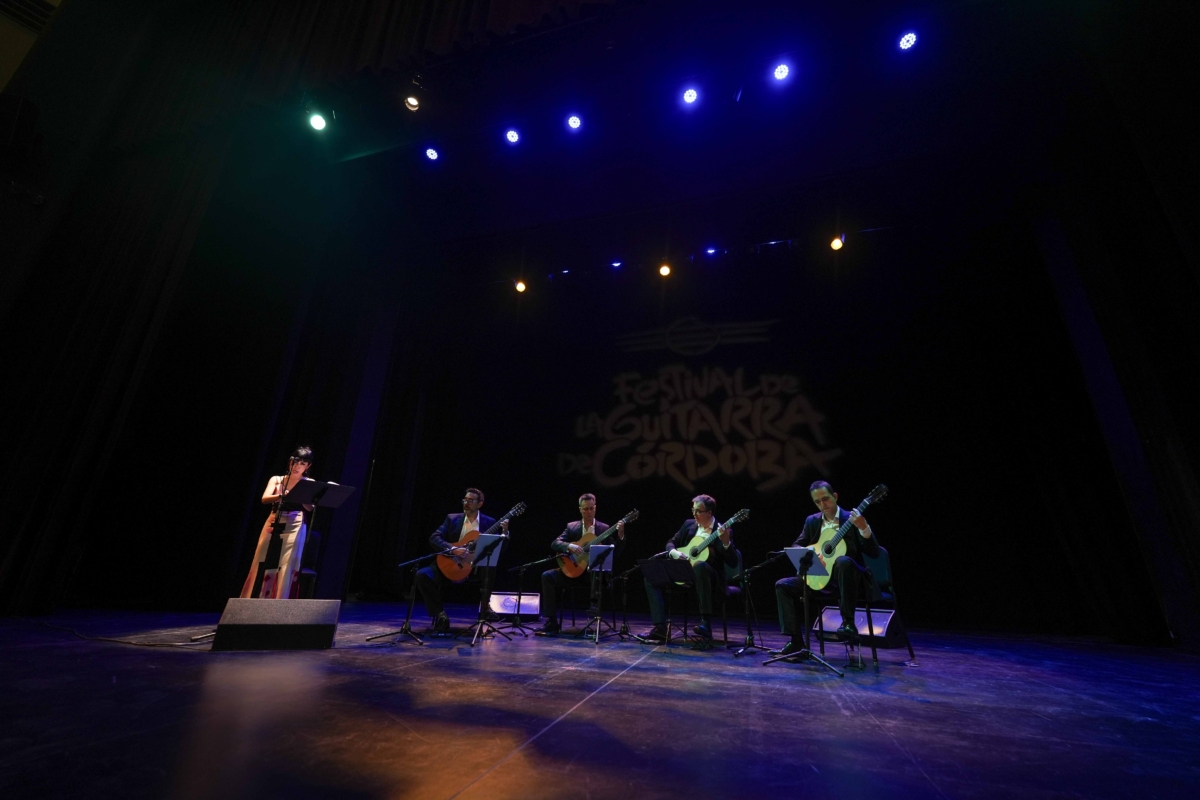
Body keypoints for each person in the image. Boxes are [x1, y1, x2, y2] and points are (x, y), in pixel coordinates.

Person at [775, 480, 879, 655]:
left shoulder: (850, 519)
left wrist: (864, 528)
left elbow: (874, 553)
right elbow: (797, 546)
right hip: (821, 579)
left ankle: (848, 623)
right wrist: (810, 554)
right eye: (817, 502)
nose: (822, 505)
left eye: (826, 499)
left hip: (849, 581)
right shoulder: (812, 521)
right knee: (783, 585)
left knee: (843, 561)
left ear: (835, 497)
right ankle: (796, 641)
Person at [639, 494, 736, 642]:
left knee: (700, 565)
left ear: (709, 513)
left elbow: (733, 562)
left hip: (710, 578)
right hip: (684, 570)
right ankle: (660, 629)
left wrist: (726, 542)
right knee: (651, 577)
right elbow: (671, 542)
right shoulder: (688, 525)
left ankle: (705, 624)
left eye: (698, 511)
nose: (694, 514)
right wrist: (674, 553)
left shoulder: (720, 530)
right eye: (693, 510)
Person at [414, 488, 509, 632]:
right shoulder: (452, 518)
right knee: (422, 575)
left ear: (480, 504)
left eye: (471, 501)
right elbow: (434, 538)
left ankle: (485, 607)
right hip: (450, 564)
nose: (466, 503)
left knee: (490, 565)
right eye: (465, 500)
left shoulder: (489, 522)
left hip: (474, 570)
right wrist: (453, 549)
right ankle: (441, 615)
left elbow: (498, 548)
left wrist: (505, 532)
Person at [534, 493, 626, 636]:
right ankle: (551, 622)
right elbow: (555, 543)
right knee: (547, 576)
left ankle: (594, 608)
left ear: (595, 508)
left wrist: (620, 535)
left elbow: (615, 552)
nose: (588, 512)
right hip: (573, 571)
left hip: (594, 576)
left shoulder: (604, 528)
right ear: (580, 509)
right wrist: (569, 546)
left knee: (596, 567)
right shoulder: (572, 527)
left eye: (591, 508)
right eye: (585, 509)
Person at [240, 447, 315, 599]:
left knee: (288, 563)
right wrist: (280, 495)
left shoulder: (308, 483)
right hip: (274, 520)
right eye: (295, 462)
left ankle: (282, 600)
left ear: (308, 466)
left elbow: (310, 507)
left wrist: (300, 495)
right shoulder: (277, 479)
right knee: (260, 558)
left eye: (302, 463)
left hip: (295, 523)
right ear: (290, 462)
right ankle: (251, 598)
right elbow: (264, 498)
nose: (297, 466)